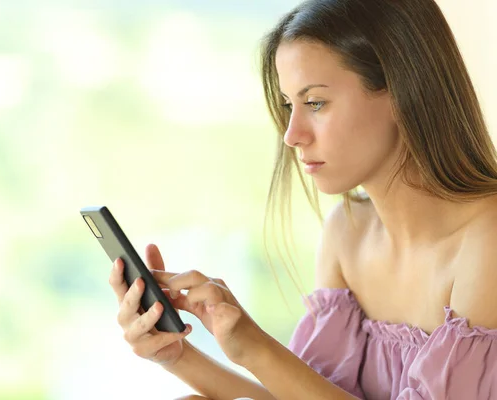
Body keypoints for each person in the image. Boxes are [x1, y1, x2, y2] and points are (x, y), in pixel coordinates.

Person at [108, 0, 497, 398]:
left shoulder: (487, 241)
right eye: (288, 105)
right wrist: (178, 356)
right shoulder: (347, 232)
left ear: (402, 90)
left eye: (315, 103)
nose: (291, 135)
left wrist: (254, 345)